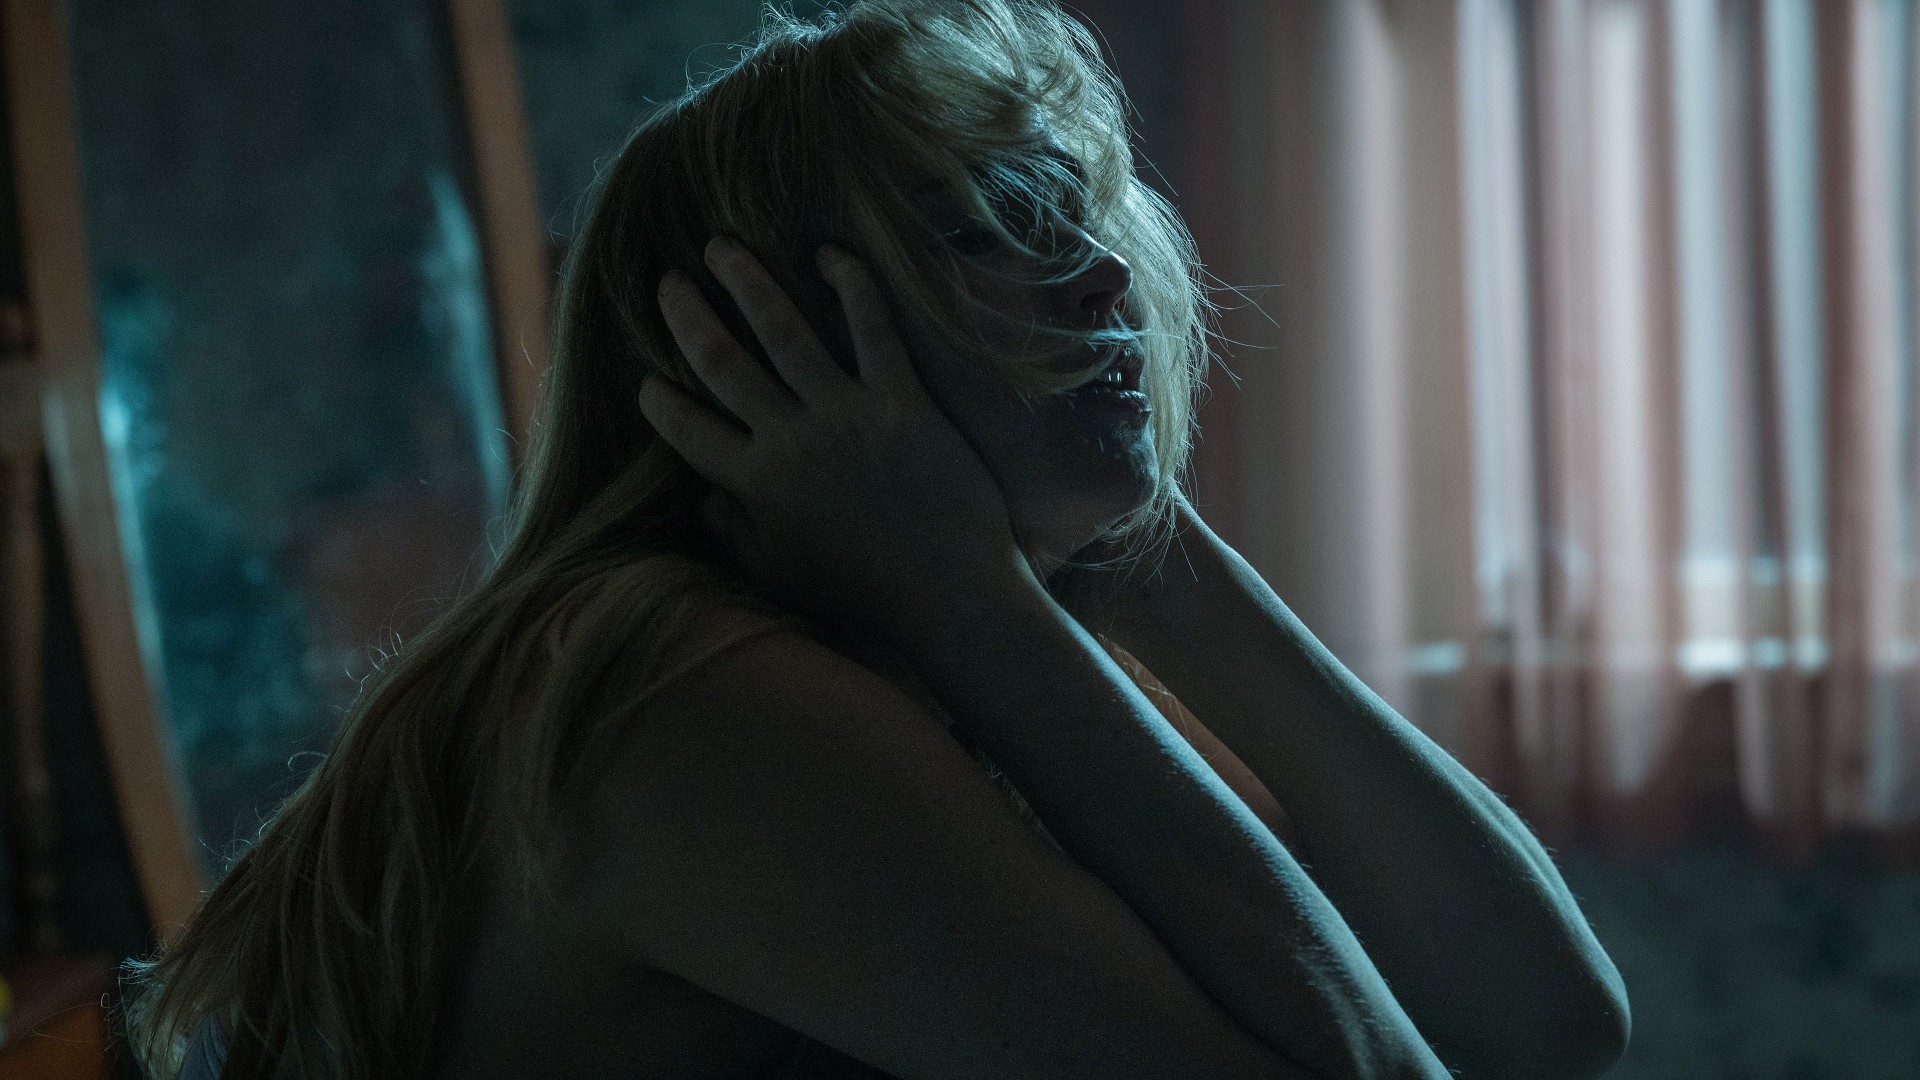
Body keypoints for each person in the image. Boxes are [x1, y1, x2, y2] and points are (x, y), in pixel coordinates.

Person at [123, 1, 1630, 1077]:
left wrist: (1148, 559)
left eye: (1079, 213)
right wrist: (977, 600)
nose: (1105, 277)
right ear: (771, 348)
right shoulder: (688, 696)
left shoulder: (876, 641)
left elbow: (1551, 1029)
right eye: (985, 227)